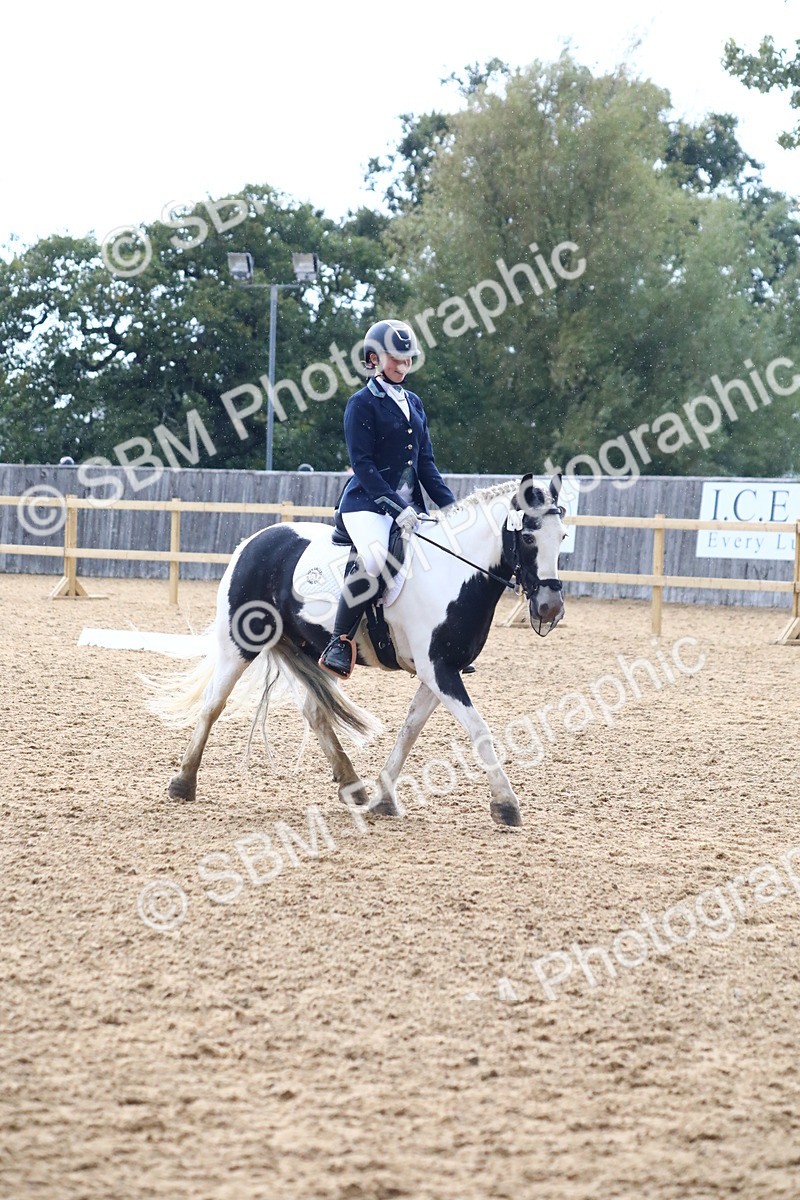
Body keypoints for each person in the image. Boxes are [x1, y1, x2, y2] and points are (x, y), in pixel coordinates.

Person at [318, 319, 456, 679]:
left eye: (407, 358)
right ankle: (339, 642)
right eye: (395, 358)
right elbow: (362, 466)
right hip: (366, 504)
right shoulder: (360, 403)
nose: (402, 365)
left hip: (410, 509)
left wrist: (454, 509)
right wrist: (397, 507)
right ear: (374, 358)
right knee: (377, 558)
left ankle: (444, 643)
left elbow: (426, 465)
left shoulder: (414, 402)